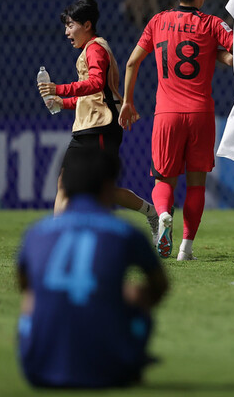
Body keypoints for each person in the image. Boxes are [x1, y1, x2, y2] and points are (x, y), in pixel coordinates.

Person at [16, 149, 168, 388]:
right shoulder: (125, 233)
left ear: (63, 185)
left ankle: (44, 353)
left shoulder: (36, 233)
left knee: (32, 297)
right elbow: (160, 286)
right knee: (136, 295)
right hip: (112, 372)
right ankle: (128, 355)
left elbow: (24, 286)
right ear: (110, 187)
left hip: (38, 372)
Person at [119, 0, 234, 261]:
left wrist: (128, 102)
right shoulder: (212, 24)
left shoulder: (158, 21)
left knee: (162, 181)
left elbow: (132, 63)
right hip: (200, 114)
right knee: (196, 184)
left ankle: (162, 217)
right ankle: (186, 249)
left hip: (167, 114)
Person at [37, 0, 158, 237]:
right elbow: (92, 95)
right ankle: (57, 236)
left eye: (70, 25)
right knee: (65, 182)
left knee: (101, 188)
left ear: (87, 25)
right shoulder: (89, 50)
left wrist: (59, 89)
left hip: (102, 126)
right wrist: (64, 102)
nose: (66, 32)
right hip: (87, 126)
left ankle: (151, 213)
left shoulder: (96, 48)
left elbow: (95, 84)